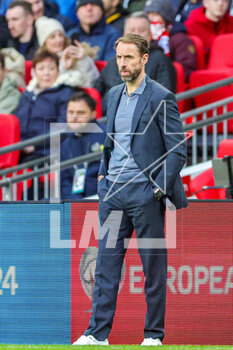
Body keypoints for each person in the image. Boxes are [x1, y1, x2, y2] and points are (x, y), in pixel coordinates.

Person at [73, 33, 188, 346]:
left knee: (153, 268)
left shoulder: (161, 96)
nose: (122, 64)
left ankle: (153, 335)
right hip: (112, 194)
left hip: (145, 194)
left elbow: (177, 151)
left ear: (144, 59)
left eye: (128, 58)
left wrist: (156, 191)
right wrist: (102, 177)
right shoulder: (112, 95)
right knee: (106, 267)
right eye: (119, 57)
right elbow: (111, 144)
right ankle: (97, 334)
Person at [94, 12, 176, 114]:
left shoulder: (160, 60)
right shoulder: (113, 61)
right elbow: (95, 92)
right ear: (124, 34)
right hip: (107, 119)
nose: (136, 34)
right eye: (131, 30)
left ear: (150, 35)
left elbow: (163, 97)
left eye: (142, 30)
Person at [15, 48, 74, 161]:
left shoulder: (65, 93)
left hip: (46, 151)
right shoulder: (27, 94)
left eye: (51, 68)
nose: (46, 73)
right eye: (41, 69)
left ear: (58, 70)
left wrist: (35, 145)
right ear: (34, 72)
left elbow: (63, 126)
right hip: (19, 148)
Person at [60, 91, 106, 199]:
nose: (74, 117)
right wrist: (75, 202)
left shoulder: (106, 136)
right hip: (77, 202)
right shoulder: (65, 144)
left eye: (80, 113)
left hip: (103, 199)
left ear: (93, 114)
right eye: (71, 112)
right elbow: (65, 180)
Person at [35, 16, 99, 88]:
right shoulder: (39, 62)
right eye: (53, 37)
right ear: (44, 43)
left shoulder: (74, 56)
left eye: (60, 35)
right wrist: (63, 67)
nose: (59, 40)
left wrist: (84, 59)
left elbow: (91, 84)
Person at [144, 0, 197, 82]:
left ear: (166, 18)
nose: (150, 19)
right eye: (148, 16)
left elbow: (187, 70)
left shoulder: (180, 39)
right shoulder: (147, 38)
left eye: (155, 15)